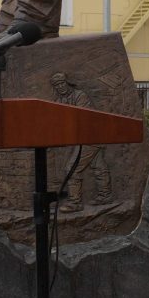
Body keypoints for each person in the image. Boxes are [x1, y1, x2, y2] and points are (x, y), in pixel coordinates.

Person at [51, 71, 112, 212]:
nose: (60, 87)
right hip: (85, 139)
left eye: (62, 83)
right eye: (57, 85)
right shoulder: (59, 100)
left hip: (90, 137)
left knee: (72, 168)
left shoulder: (80, 95)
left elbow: (81, 117)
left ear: (68, 83)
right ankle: (105, 195)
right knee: (98, 166)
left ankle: (75, 202)